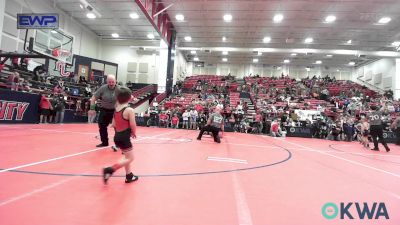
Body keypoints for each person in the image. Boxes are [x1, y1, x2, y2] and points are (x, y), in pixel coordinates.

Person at [102, 87, 138, 184]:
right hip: (124, 137)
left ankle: (129, 176)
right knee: (130, 158)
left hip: (117, 137)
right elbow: (133, 124)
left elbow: (113, 124)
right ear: (129, 98)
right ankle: (110, 169)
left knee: (126, 156)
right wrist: (134, 132)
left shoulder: (117, 109)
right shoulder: (129, 110)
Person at [88, 75, 120, 147]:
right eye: (109, 82)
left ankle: (118, 143)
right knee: (102, 126)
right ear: (107, 81)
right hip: (104, 110)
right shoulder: (103, 88)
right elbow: (93, 98)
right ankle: (104, 142)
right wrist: (92, 109)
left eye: (113, 82)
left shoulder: (119, 89)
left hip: (115, 110)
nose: (111, 84)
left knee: (117, 127)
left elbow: (127, 96)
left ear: (115, 81)